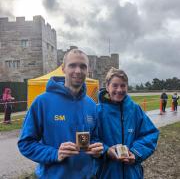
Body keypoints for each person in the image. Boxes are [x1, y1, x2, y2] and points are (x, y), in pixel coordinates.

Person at [18, 49, 103, 178]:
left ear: (88, 70)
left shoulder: (91, 104)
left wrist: (97, 150)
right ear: (63, 69)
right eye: (72, 65)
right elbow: (25, 144)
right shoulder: (42, 102)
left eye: (83, 66)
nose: (78, 71)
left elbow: (95, 138)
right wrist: (55, 153)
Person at [97, 67, 159, 179]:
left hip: (132, 173)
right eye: (115, 85)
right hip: (107, 173)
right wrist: (106, 150)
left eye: (123, 85)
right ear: (107, 87)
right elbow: (91, 139)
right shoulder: (98, 111)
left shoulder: (135, 109)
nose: (119, 90)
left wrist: (135, 153)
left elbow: (151, 134)